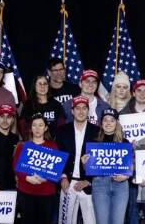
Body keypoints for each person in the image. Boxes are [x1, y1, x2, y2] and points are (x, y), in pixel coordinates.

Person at [56, 96, 101, 224]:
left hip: (88, 184)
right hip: (68, 183)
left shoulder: (97, 131)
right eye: (77, 108)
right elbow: (59, 157)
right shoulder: (62, 130)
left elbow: (100, 161)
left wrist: (89, 181)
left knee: (91, 221)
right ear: (72, 111)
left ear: (88, 110)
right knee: (65, 221)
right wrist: (63, 177)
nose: (81, 111)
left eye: (84, 108)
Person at [12, 113, 60, 223]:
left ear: (46, 128)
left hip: (47, 193)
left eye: (41, 125)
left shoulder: (53, 146)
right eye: (34, 125)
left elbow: (57, 169)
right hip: (26, 192)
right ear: (30, 128)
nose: (37, 128)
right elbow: (16, 166)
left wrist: (46, 178)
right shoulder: (23, 146)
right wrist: (27, 178)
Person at [90, 108, 132, 224]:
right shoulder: (93, 143)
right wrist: (84, 162)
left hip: (121, 186)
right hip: (100, 184)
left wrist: (127, 176)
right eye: (105, 120)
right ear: (101, 123)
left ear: (117, 123)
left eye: (112, 120)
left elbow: (131, 167)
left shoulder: (125, 143)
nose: (108, 123)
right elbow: (87, 169)